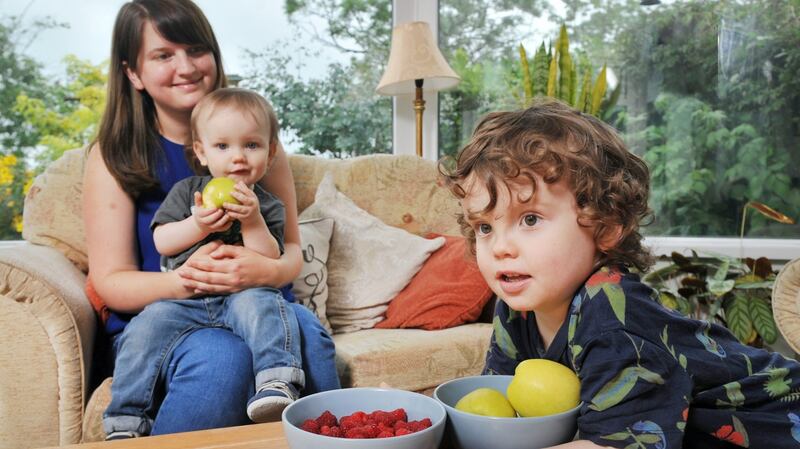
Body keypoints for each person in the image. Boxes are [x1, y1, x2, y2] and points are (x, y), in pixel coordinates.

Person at [441, 100, 800, 449]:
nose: (500, 247)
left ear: (606, 225)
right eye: (485, 227)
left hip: (781, 417)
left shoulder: (614, 315)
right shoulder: (516, 306)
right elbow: (505, 414)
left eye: (530, 219)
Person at [83, 0, 339, 438]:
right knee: (224, 358)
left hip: (257, 303)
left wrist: (269, 269)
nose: (185, 67)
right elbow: (111, 281)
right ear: (133, 73)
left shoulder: (256, 149)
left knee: (306, 333)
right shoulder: (115, 156)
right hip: (167, 313)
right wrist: (190, 281)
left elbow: (291, 252)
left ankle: (336, 430)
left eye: (195, 49)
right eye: (163, 55)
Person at [104, 88, 304, 438]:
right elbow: (162, 241)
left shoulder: (267, 205)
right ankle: (125, 420)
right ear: (201, 151)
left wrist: (254, 221)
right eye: (223, 146)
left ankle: (276, 384)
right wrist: (197, 223)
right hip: (183, 301)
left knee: (266, 305)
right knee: (146, 326)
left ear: (271, 153)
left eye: (252, 146)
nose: (238, 158)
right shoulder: (187, 192)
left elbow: (272, 255)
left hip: (241, 298)